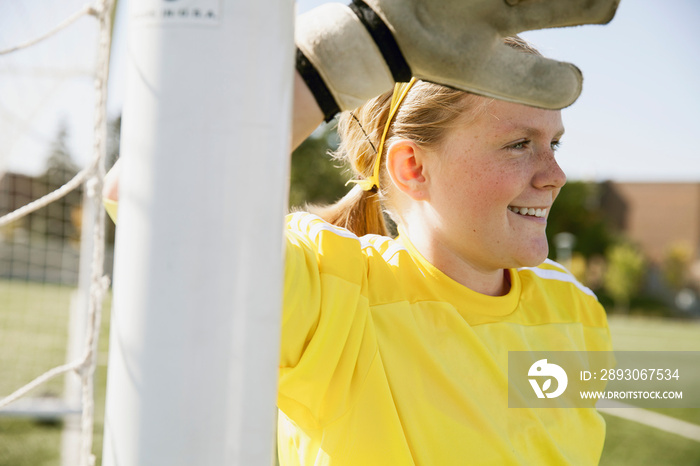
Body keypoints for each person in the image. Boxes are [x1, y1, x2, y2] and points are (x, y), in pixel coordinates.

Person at [105, 1, 619, 464]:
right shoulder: (335, 295)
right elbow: (148, 196)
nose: (555, 175)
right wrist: (362, 44)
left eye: (555, 143)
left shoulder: (576, 309)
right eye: (518, 145)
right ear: (412, 167)